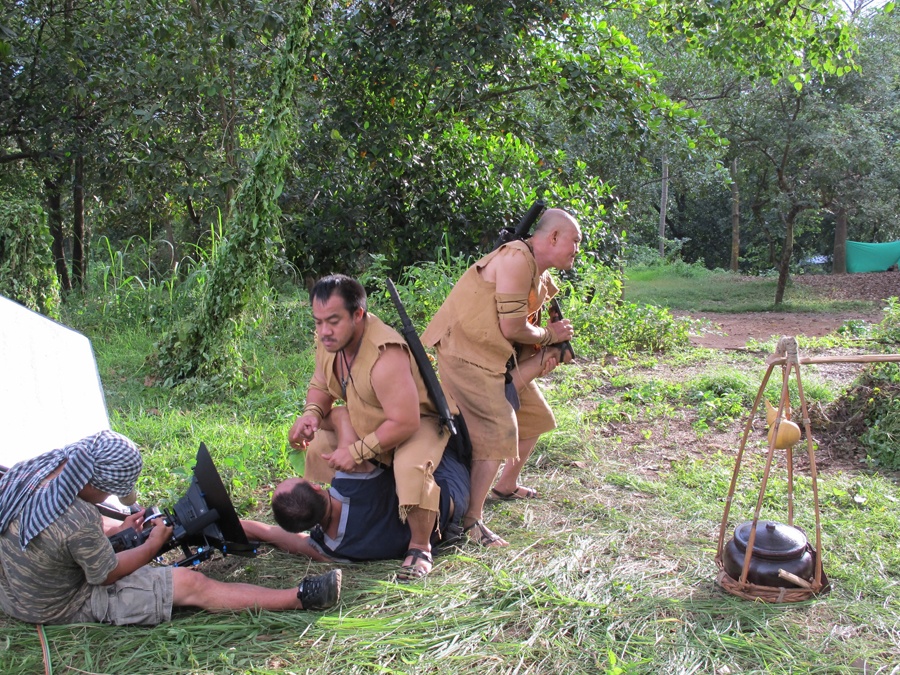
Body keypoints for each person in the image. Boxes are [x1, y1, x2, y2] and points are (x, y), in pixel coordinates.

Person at [0, 430, 341, 626]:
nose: (110, 497)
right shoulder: (78, 519)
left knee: (114, 527)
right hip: (54, 604)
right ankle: (299, 599)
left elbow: (58, 535)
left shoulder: (36, 469)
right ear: (98, 482)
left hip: (16, 583)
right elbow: (105, 575)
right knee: (192, 584)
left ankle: (293, 548)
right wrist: (151, 545)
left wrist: (119, 534)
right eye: (109, 491)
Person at [421, 208, 581, 547]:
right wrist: (550, 338)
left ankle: (506, 484)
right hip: (466, 352)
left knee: (535, 417)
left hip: (495, 356)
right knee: (499, 429)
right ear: (552, 237)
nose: (576, 250)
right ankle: (470, 522)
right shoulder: (516, 260)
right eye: (574, 241)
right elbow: (512, 327)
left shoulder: (538, 271)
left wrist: (542, 353)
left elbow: (522, 324)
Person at [287, 274, 453, 580]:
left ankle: (420, 546)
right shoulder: (330, 340)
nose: (324, 331)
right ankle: (339, 509)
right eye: (318, 321)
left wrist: (358, 451)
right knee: (321, 444)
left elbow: (405, 421)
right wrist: (311, 413)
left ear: (358, 314)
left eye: (333, 321)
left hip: (416, 424)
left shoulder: (385, 354)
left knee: (409, 467)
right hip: (370, 418)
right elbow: (322, 382)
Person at [241, 437, 470, 563]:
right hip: (450, 489)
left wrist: (239, 525)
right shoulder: (353, 480)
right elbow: (344, 417)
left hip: (443, 527)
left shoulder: (332, 549)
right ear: (316, 487)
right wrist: (315, 416)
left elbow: (276, 536)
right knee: (415, 429)